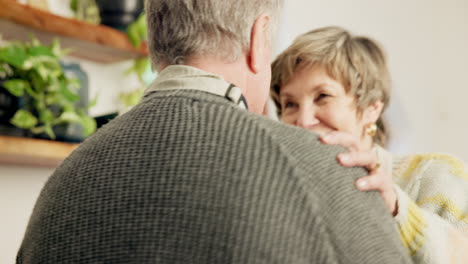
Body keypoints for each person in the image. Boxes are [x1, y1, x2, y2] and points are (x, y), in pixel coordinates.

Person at [16, 2, 413, 263]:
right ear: (259, 40)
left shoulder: (66, 179)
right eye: (291, 102)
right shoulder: (331, 169)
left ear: (157, 46)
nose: (303, 117)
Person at [271, 26, 468, 263]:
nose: (303, 120)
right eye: (290, 104)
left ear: (371, 108)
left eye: (323, 96)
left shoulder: (437, 174)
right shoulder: (282, 187)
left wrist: (397, 209)